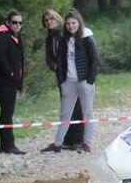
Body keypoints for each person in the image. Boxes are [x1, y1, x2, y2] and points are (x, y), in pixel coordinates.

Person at [41, 9, 99, 153]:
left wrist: (89, 81)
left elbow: (94, 60)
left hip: (84, 81)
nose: (71, 26)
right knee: (65, 114)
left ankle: (86, 142)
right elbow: (60, 60)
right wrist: (61, 79)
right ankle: (57, 144)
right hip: (68, 82)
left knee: (87, 113)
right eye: (68, 23)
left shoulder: (87, 38)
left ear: (79, 23)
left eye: (73, 23)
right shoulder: (64, 40)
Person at [0, 11, 26, 155]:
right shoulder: (3, 37)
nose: (17, 25)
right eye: (15, 22)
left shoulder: (16, 38)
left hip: (11, 81)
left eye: (20, 23)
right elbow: (0, 57)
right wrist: (10, 72)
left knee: (7, 112)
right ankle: (7, 145)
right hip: (4, 81)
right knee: (7, 112)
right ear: (8, 23)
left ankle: (6, 144)